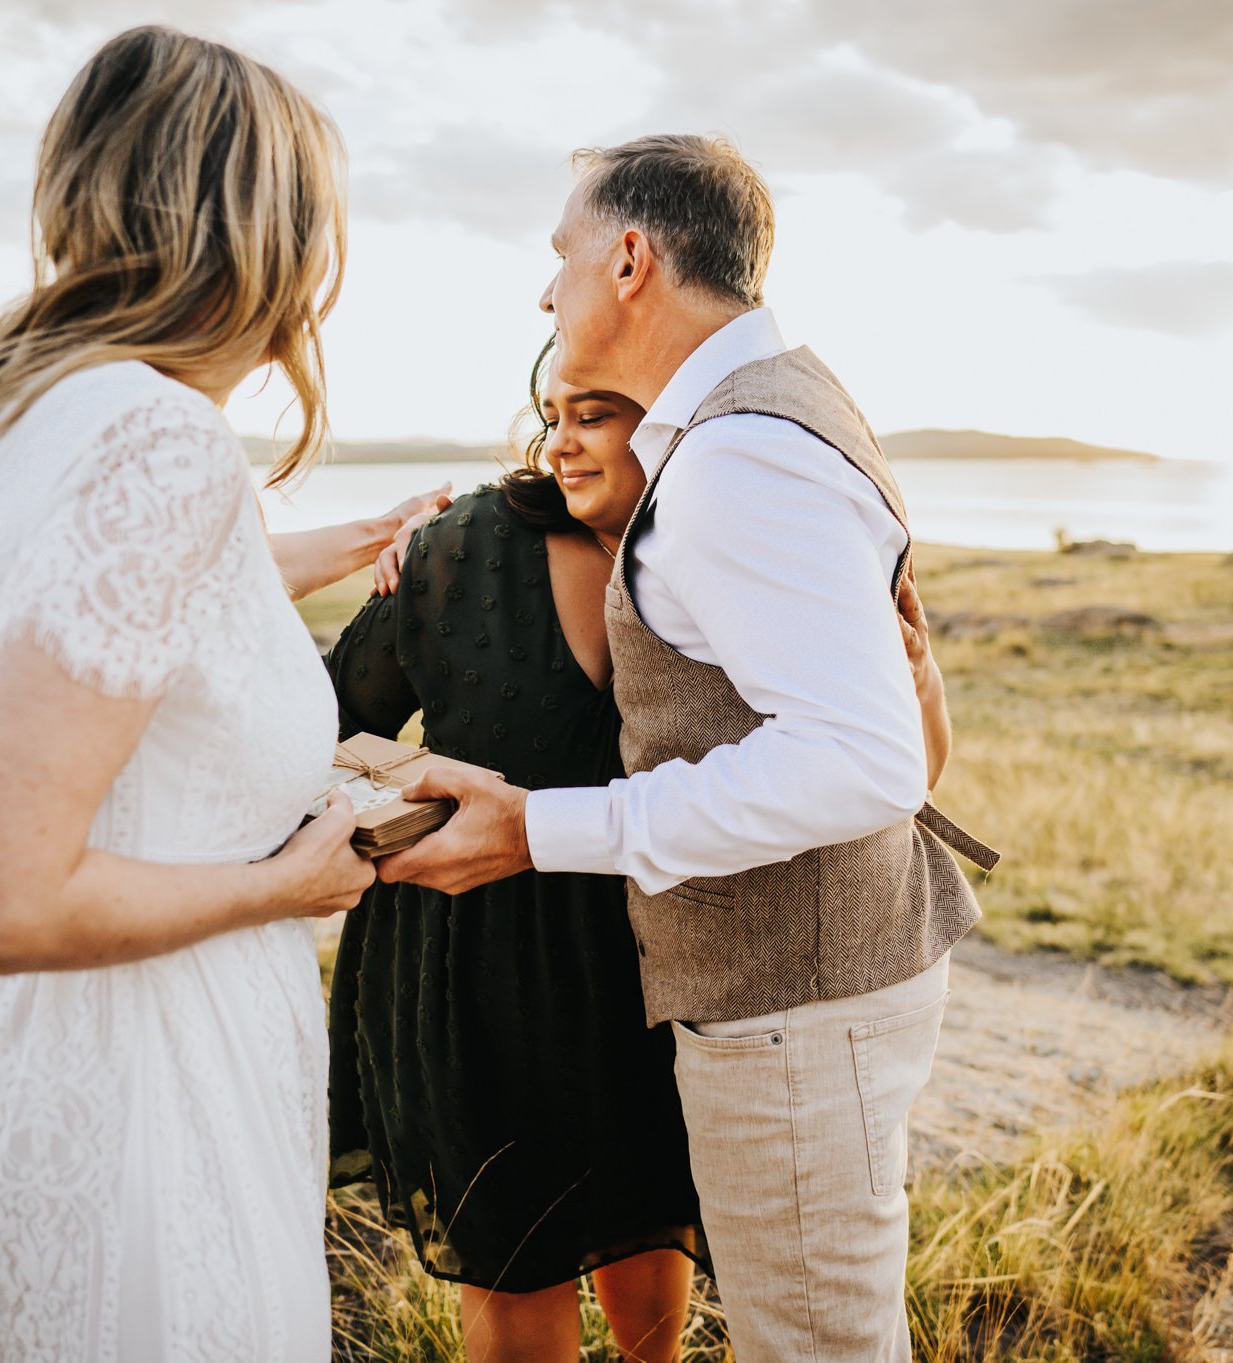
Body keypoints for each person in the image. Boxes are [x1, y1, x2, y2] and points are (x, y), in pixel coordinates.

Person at [0, 28, 443, 1362]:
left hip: (21, 1066)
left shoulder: (20, 419)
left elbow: (123, 619)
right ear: (264, 236)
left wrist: (355, 543)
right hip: (138, 1105)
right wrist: (291, 881)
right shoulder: (163, 441)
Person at [378, 135, 997, 1363]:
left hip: (794, 1007)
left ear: (626, 259)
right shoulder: (759, 414)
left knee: (812, 1347)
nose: (542, 292)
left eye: (557, 258)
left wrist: (541, 827)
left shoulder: (738, 453)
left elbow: (860, 761)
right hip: (811, 987)